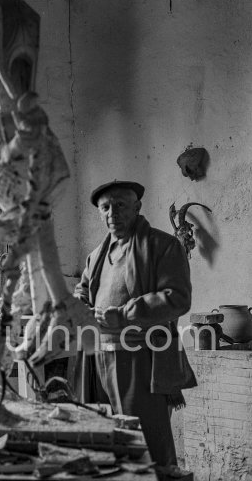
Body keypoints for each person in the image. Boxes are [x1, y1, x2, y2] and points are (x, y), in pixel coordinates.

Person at [74, 180, 197, 468]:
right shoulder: (97, 255)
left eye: (120, 205)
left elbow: (178, 298)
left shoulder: (163, 246)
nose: (111, 213)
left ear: (137, 207)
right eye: (105, 207)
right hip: (99, 357)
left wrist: (126, 314)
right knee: (107, 438)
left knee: (146, 441)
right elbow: (82, 290)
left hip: (142, 357)